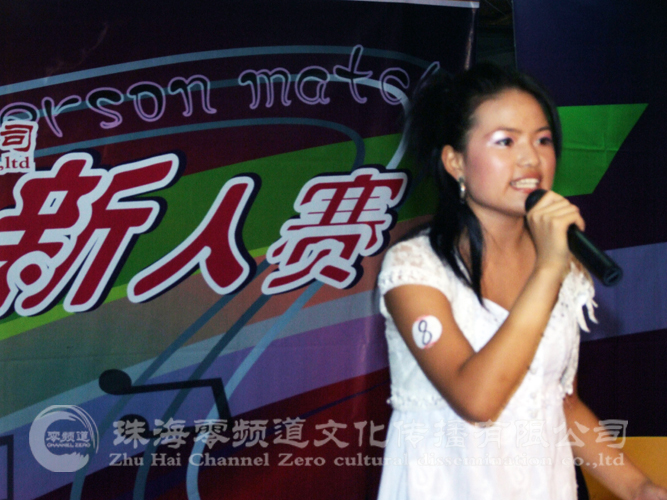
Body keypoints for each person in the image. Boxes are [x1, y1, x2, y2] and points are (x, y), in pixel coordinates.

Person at [376, 63, 667, 500]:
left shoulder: (563, 267)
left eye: (543, 140)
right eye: (506, 141)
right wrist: (548, 269)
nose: (531, 159)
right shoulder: (415, 268)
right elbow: (476, 400)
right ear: (455, 161)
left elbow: (560, 403)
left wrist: (639, 488)